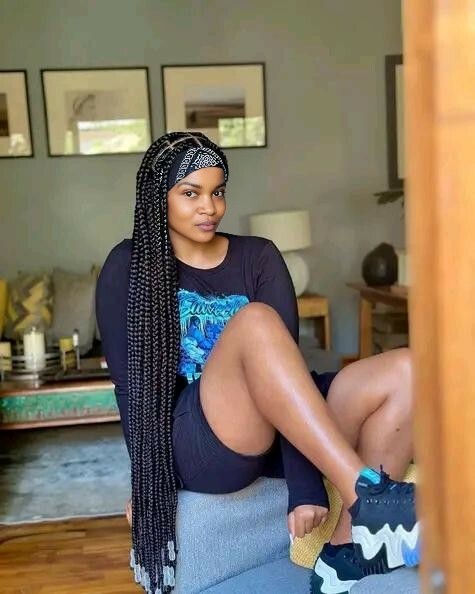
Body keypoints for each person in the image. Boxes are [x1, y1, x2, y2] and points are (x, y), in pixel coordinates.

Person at [96, 131, 419, 594]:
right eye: (191, 194)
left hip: (280, 425)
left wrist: (304, 488)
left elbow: (288, 369)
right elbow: (131, 388)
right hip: (202, 438)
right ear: (157, 197)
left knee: (408, 369)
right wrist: (147, 482)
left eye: (217, 192)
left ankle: (347, 553)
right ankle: (370, 498)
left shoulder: (259, 256)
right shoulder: (128, 265)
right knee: (254, 321)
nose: (209, 207)